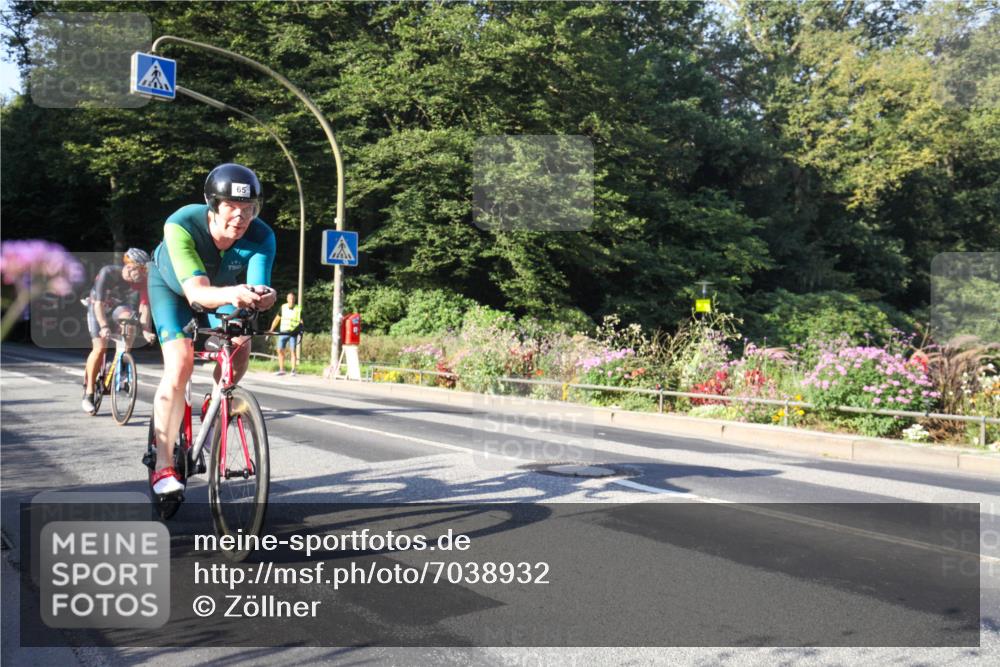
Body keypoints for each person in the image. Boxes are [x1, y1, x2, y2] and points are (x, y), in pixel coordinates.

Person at [147, 163, 276, 496]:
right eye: (232, 207)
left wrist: (264, 296)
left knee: (241, 343)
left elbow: (255, 287)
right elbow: (197, 294)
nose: (241, 216)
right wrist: (235, 293)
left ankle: (217, 400)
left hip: (221, 290)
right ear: (213, 206)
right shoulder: (182, 225)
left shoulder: (261, 236)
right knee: (180, 364)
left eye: (249, 209)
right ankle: (162, 465)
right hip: (174, 290)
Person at [82, 249, 158, 414]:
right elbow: (98, 304)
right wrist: (103, 326)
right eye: (142, 269)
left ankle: (122, 360)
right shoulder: (108, 273)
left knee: (130, 319)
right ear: (130, 267)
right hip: (98, 307)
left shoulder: (142, 281)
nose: (144, 274)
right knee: (100, 348)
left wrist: (145, 331)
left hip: (117, 307)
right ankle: (89, 393)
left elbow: (144, 307)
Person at [270, 292, 302, 376]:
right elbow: (277, 319)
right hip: (283, 332)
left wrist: (301, 330)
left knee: (293, 351)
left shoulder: (298, 309)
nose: (291, 300)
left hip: (293, 333)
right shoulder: (283, 307)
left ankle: (293, 370)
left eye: (292, 299)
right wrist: (271, 329)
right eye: (289, 298)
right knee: (279, 350)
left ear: (294, 300)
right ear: (287, 299)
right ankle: (281, 369)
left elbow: (302, 321)